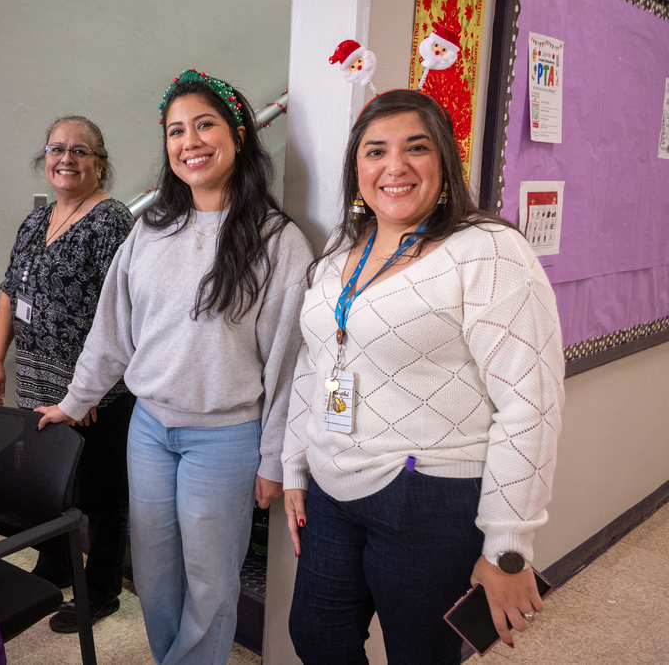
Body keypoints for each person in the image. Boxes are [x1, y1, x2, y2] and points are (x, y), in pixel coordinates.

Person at [36, 70, 313, 665]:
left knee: (210, 581)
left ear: (239, 136)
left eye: (205, 125)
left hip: (226, 438)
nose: (189, 141)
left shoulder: (277, 240)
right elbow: (112, 331)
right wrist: (75, 402)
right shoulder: (149, 230)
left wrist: (273, 460)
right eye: (175, 130)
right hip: (149, 430)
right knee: (157, 576)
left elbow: (289, 366)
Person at [282, 89, 565, 664]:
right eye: (375, 151)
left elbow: (529, 405)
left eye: (417, 147)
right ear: (355, 167)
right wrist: (294, 463)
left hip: (429, 493)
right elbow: (315, 363)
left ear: (445, 161)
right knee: (317, 637)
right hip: (334, 488)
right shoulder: (342, 250)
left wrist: (508, 547)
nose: (395, 167)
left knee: (420, 656)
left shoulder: (488, 250)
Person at [0, 115, 135, 632]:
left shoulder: (111, 221)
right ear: (43, 158)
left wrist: (86, 388)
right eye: (57, 148)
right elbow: (10, 290)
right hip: (35, 379)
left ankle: (102, 590)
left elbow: (118, 314)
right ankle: (54, 562)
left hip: (94, 390)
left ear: (100, 164)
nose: (67, 158)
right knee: (44, 482)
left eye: (81, 150)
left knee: (100, 494)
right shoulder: (35, 220)